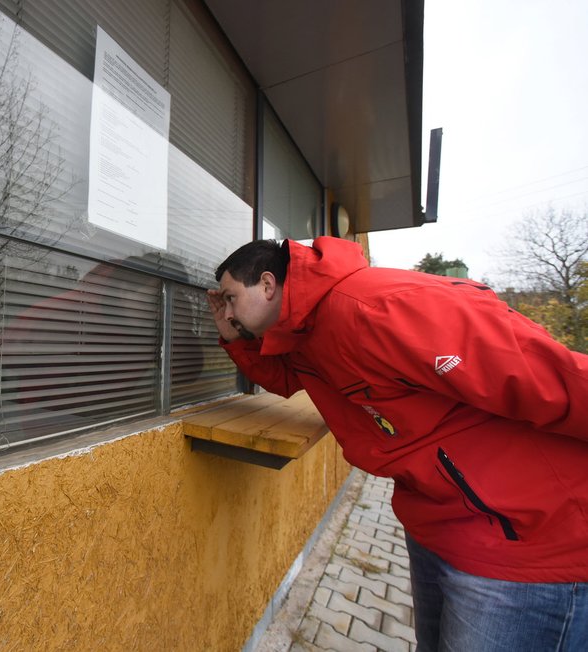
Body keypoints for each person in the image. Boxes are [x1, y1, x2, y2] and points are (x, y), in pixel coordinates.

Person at [207, 236, 588, 651]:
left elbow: (544, 376)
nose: (225, 309)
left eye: (230, 298)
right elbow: (285, 380)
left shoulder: (376, 306)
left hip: (522, 543)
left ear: (267, 284)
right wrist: (233, 335)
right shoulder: (305, 331)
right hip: (438, 524)